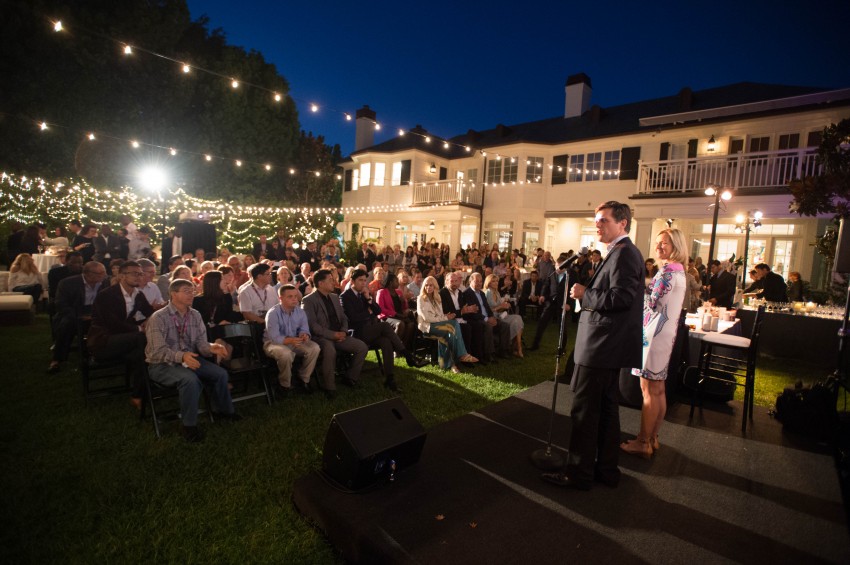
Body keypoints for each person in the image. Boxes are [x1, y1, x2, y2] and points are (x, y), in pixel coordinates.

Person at [542, 201, 644, 490]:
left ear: (622, 223)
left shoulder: (624, 255)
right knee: (606, 412)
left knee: (585, 413)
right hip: (608, 346)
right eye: (596, 221)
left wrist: (586, 294)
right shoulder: (621, 253)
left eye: (603, 220)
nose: (597, 225)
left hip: (602, 347)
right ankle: (605, 470)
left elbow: (621, 298)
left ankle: (578, 474)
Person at [145, 279, 240, 442]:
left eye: (192, 291)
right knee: (190, 380)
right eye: (186, 291)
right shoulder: (158, 317)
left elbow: (200, 343)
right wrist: (182, 356)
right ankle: (189, 426)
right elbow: (158, 351)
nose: (191, 294)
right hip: (162, 364)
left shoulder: (195, 315)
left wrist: (211, 347)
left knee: (220, 374)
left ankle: (223, 411)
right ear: (173, 294)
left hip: (190, 359)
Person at [621, 228, 687, 459]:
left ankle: (642, 442)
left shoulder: (668, 273)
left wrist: (637, 289)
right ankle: (652, 437)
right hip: (664, 336)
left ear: (676, 246)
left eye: (664, 243)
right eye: (657, 242)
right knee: (658, 390)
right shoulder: (679, 272)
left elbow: (651, 303)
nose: (658, 247)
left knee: (648, 391)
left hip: (653, 336)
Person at [340, 269, 426, 392]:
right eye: (360, 280)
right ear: (352, 281)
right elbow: (353, 318)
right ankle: (407, 355)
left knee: (386, 342)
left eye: (365, 280)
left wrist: (369, 299)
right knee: (385, 326)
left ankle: (390, 380)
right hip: (357, 333)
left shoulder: (363, 294)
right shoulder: (345, 296)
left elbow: (377, 311)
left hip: (369, 330)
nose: (363, 283)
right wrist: (369, 315)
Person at [87, 261, 154, 407]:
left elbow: (152, 313)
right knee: (144, 339)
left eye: (141, 274)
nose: (139, 277)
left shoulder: (138, 294)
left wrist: (151, 319)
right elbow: (113, 324)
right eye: (134, 273)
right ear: (122, 276)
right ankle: (151, 383)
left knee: (141, 354)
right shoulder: (107, 295)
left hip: (126, 341)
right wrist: (139, 328)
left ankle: (138, 395)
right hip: (103, 342)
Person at [301, 268, 369, 398]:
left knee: (361, 347)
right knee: (330, 350)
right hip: (321, 337)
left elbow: (343, 317)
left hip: (340, 335)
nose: (334, 282)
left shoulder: (334, 297)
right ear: (320, 283)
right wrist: (332, 335)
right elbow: (312, 325)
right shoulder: (308, 300)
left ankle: (350, 377)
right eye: (331, 280)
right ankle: (329, 387)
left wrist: (343, 331)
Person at [48, 260, 107, 373]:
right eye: (100, 274)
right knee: (67, 324)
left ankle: (98, 355)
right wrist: (80, 316)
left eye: (104, 273)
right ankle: (57, 359)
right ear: (87, 274)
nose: (104, 276)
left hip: (96, 312)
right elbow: (61, 305)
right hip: (74, 312)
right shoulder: (67, 283)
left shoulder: (105, 282)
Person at [263, 284, 321, 395]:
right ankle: (285, 385)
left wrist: (305, 335)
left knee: (314, 348)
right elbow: (274, 337)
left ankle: (304, 379)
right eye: (290, 297)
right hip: (273, 343)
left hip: (294, 341)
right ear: (281, 299)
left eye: (295, 296)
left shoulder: (300, 311)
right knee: (286, 353)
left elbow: (304, 329)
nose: (294, 299)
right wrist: (291, 340)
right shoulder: (273, 313)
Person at [417, 275, 478, 373]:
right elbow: (427, 318)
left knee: (450, 329)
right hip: (427, 327)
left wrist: (445, 317)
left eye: (431, 285)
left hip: (439, 325)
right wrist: (445, 317)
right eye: (426, 285)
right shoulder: (421, 298)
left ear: (435, 287)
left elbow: (441, 314)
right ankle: (461, 356)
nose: (428, 287)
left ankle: (447, 364)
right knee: (450, 329)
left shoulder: (437, 298)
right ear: (423, 286)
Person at [462, 272, 511, 362]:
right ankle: (489, 354)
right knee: (488, 327)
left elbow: (487, 308)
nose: (479, 283)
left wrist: (491, 317)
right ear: (470, 282)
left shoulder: (481, 293)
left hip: (487, 317)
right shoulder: (467, 293)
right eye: (477, 281)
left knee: (505, 326)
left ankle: (503, 351)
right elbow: (473, 312)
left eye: (481, 281)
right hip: (476, 319)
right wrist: (487, 319)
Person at [192, 270, 241, 341]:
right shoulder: (198, 300)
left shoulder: (226, 297)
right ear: (214, 282)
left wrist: (244, 313)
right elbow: (199, 322)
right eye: (222, 279)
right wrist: (217, 325)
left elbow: (229, 315)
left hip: (224, 331)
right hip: (207, 334)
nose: (225, 281)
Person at [484, 273, 524, 357]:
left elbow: (500, 308)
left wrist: (505, 306)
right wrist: (499, 307)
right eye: (493, 281)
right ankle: (515, 348)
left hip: (500, 315)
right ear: (489, 283)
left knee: (518, 318)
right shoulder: (487, 293)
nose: (496, 283)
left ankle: (517, 347)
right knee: (516, 321)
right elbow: (486, 310)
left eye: (497, 281)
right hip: (493, 317)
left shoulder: (497, 292)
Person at [376, 272, 416, 348]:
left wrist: (403, 301)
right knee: (400, 324)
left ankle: (403, 347)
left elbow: (404, 307)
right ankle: (393, 347)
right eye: (396, 281)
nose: (398, 283)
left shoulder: (398, 292)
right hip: (387, 317)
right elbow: (380, 309)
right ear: (391, 283)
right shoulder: (381, 292)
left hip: (399, 316)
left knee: (411, 325)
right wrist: (395, 314)